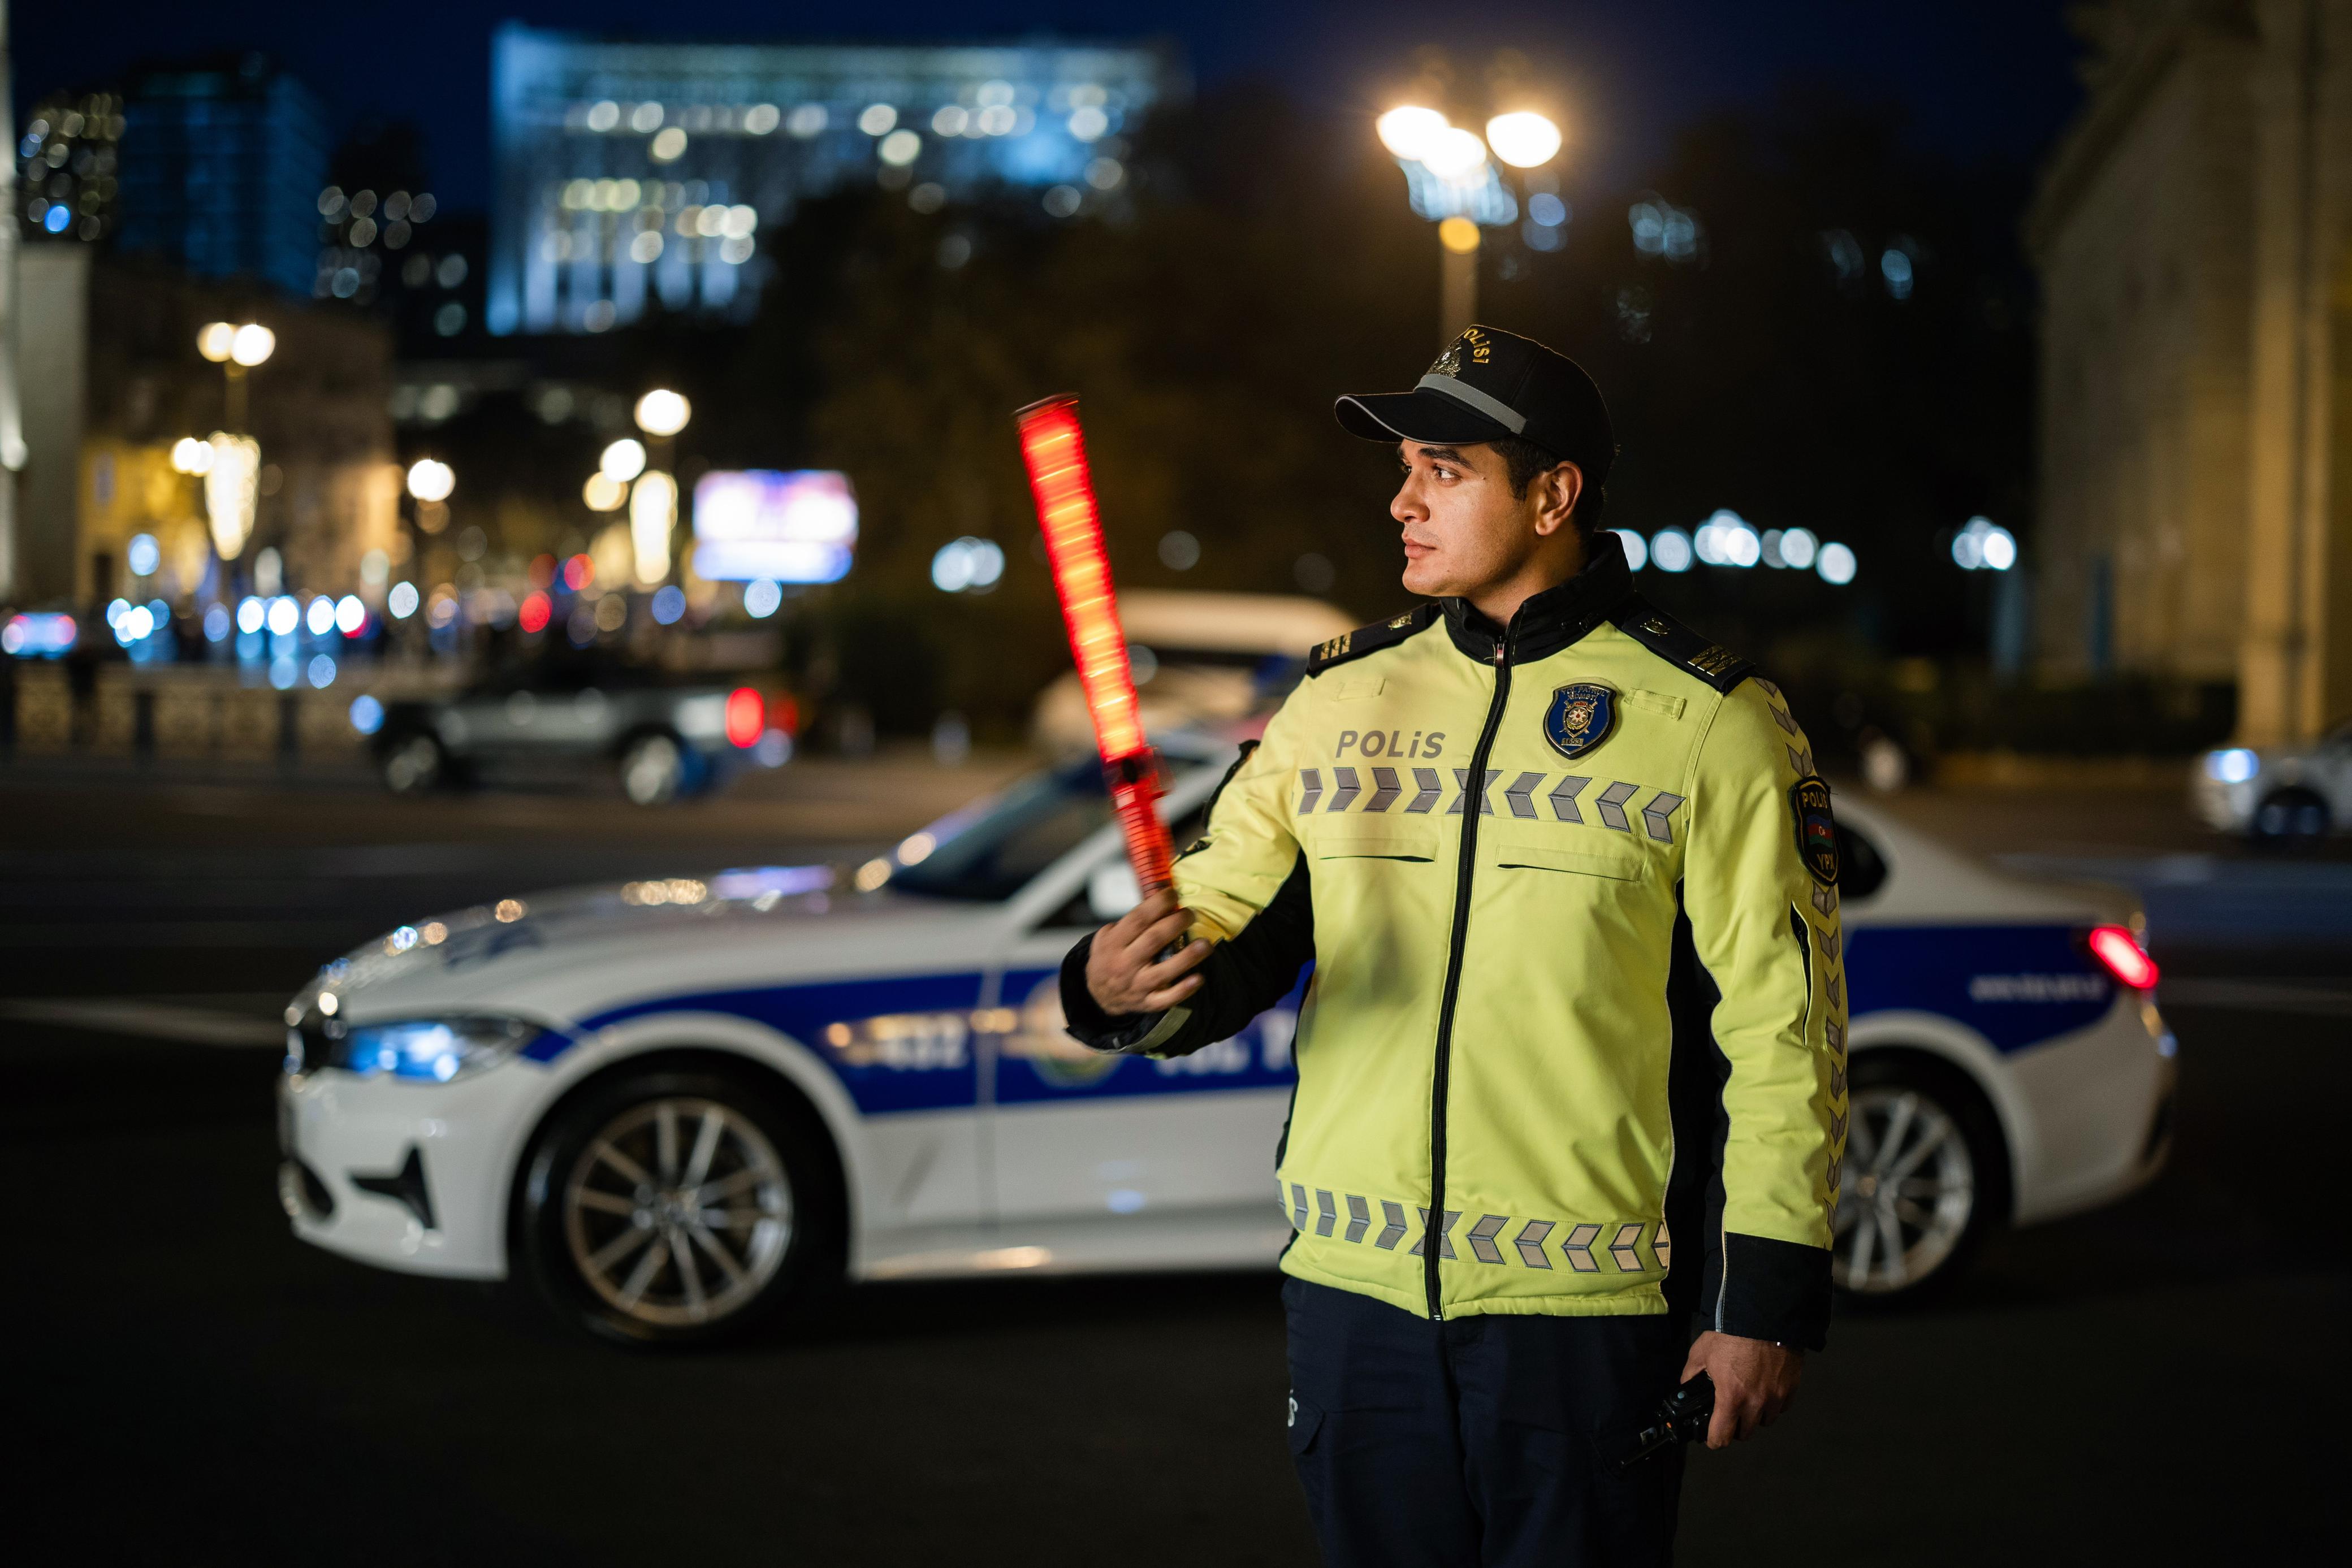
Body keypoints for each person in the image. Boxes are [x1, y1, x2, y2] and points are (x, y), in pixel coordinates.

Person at [1060, 325, 1848, 1566]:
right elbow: (1223, 931)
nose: (1401, 500)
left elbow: (1783, 1034)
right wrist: (1118, 987)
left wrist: (1761, 1307)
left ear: (1553, 494)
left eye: (1442, 468)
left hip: (1581, 1314)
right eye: (1404, 468)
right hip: (1349, 1300)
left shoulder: (1709, 718)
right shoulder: (1336, 698)